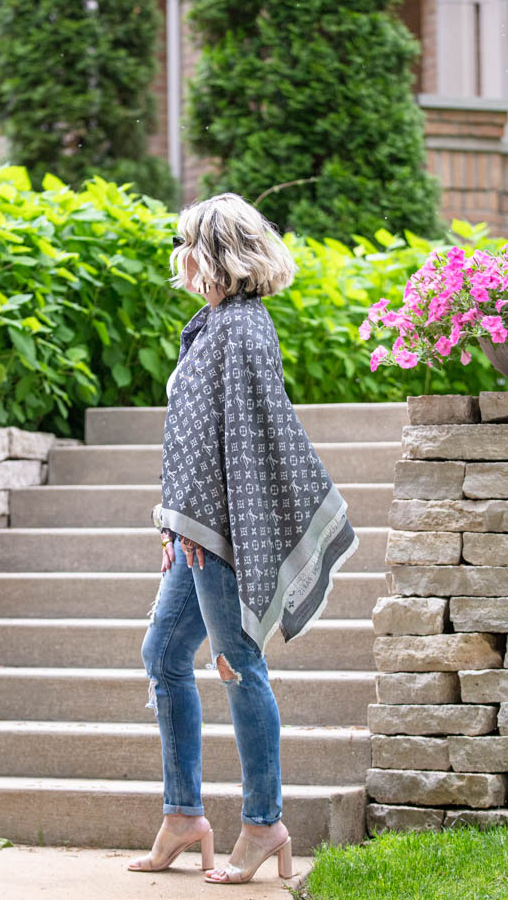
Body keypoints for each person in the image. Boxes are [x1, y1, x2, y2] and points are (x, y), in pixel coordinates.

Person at [127, 193, 358, 884]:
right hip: (195, 525)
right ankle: (183, 815)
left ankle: (263, 823)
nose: (181, 258)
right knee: (164, 655)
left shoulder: (241, 328)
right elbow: (195, 436)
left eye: (189, 244)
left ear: (219, 253)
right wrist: (175, 519)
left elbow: (248, 439)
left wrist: (205, 523)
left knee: (237, 664)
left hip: (221, 528)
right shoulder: (214, 324)